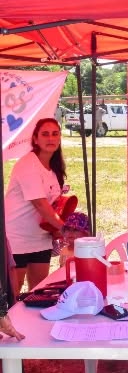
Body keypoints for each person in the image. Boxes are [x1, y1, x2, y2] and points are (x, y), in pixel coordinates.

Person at [4, 118, 66, 293]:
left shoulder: (54, 168)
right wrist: (65, 229)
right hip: (16, 237)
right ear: (35, 139)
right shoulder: (28, 164)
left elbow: (54, 206)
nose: (50, 138)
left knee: (38, 293)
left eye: (55, 134)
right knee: (13, 296)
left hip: (40, 239)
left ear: (60, 138)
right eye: (45, 134)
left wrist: (57, 231)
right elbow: (40, 203)